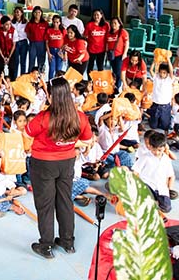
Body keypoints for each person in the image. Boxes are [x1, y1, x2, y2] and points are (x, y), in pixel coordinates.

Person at [26, 77, 92, 259]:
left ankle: (46, 245)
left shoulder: (44, 117)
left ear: (52, 95)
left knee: (45, 204)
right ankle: (67, 242)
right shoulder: (79, 116)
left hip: (43, 164)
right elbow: (87, 141)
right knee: (65, 200)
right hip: (67, 163)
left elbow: (27, 132)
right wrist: (67, 143)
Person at [132, 132, 174, 212]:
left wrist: (169, 189)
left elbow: (171, 176)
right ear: (150, 147)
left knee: (167, 208)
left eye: (159, 150)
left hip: (161, 188)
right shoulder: (145, 157)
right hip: (147, 185)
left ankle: (152, 202)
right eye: (154, 150)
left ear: (164, 147)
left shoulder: (166, 159)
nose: (157, 152)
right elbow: (135, 172)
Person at [149, 62, 174, 132]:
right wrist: (154, 61)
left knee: (165, 126)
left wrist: (169, 60)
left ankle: (167, 118)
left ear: (168, 73)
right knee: (153, 125)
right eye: (160, 72)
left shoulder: (169, 79)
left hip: (165, 106)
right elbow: (151, 70)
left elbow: (171, 71)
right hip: (155, 105)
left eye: (164, 73)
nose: (162, 74)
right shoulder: (156, 77)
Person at [105, 17, 130, 90]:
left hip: (120, 55)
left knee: (119, 71)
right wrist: (107, 53)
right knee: (114, 71)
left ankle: (117, 86)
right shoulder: (109, 33)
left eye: (115, 23)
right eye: (112, 23)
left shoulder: (123, 32)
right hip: (111, 55)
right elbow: (107, 43)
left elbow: (127, 43)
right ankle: (114, 84)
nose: (113, 25)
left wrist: (125, 53)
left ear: (119, 24)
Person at [26, 6, 49, 73]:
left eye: (39, 12)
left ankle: (40, 76)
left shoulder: (45, 23)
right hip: (33, 43)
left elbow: (47, 35)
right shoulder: (30, 24)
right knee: (31, 60)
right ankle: (30, 75)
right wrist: (31, 40)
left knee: (41, 61)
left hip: (42, 44)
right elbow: (27, 34)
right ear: (33, 13)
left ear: (41, 13)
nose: (37, 14)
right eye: (35, 12)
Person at [45, 15, 66, 80]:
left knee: (58, 69)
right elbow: (47, 43)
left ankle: (57, 84)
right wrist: (48, 54)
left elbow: (65, 43)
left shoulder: (63, 31)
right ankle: (50, 83)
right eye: (54, 22)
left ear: (60, 22)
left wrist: (64, 54)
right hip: (52, 51)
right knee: (52, 68)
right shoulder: (49, 30)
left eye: (57, 22)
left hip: (60, 51)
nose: (55, 24)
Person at [11, 6, 29, 79]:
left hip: (23, 42)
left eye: (18, 12)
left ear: (22, 13)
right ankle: (14, 78)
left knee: (23, 62)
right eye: (15, 12)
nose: (17, 13)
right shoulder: (12, 23)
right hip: (15, 43)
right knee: (16, 62)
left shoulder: (26, 23)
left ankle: (22, 78)